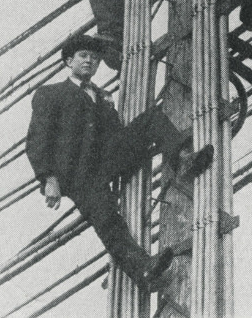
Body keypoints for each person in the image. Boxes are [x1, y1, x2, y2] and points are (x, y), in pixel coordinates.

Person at [25, 35, 213, 291]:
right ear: (69, 61)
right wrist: (49, 179)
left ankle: (183, 161)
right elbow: (38, 138)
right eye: (83, 55)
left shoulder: (101, 96)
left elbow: (115, 133)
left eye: (94, 57)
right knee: (107, 220)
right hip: (80, 174)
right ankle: (145, 270)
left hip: (107, 158)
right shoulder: (51, 94)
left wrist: (108, 109)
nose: (90, 60)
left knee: (151, 118)